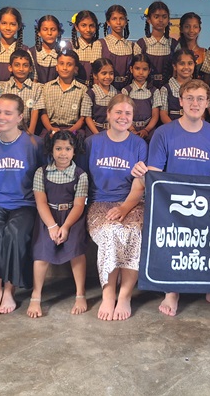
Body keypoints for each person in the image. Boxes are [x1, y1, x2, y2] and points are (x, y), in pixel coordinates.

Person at [132, 79, 210, 317]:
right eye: (189, 98)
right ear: (180, 101)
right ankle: (171, 290)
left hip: (206, 203)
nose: (194, 103)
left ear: (208, 103)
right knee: (166, 229)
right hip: (172, 204)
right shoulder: (163, 133)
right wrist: (140, 173)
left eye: (200, 99)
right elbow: (155, 175)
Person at [0, 94, 45, 316]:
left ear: (19, 117)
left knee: (15, 232)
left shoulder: (34, 143)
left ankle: (9, 289)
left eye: (8, 113)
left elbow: (43, 177)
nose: (1, 117)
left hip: (25, 203)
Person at [85, 94, 147, 321]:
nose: (123, 117)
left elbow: (140, 184)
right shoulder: (92, 143)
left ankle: (125, 295)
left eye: (128, 113)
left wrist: (124, 208)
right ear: (108, 114)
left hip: (132, 201)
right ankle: (108, 293)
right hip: (100, 202)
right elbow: (81, 178)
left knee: (133, 232)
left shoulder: (139, 144)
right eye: (118, 112)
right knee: (110, 231)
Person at [27, 131, 89, 318]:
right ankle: (36, 296)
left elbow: (79, 205)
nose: (63, 153)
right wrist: (52, 226)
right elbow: (41, 202)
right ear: (51, 150)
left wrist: (66, 226)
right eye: (59, 148)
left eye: (68, 149)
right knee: (42, 252)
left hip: (72, 217)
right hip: (48, 216)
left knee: (76, 251)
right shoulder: (41, 172)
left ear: (74, 151)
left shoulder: (80, 175)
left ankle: (80, 294)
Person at [38, 49, 86, 135]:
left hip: (73, 129)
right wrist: (51, 129)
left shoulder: (82, 90)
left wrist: (70, 131)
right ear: (56, 67)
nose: (65, 68)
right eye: (61, 64)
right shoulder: (46, 87)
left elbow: (83, 118)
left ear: (75, 69)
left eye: (69, 64)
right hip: (50, 128)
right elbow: (43, 113)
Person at [0, 48, 44, 135]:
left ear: (30, 69)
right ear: (10, 67)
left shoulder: (37, 88)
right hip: (6, 129)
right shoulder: (4, 87)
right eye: (17, 65)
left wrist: (30, 132)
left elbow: (35, 111)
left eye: (25, 65)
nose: (21, 69)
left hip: (27, 130)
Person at [136, 1, 178, 89]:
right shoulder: (141, 44)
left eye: (164, 17)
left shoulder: (174, 44)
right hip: (146, 90)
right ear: (149, 19)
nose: (160, 20)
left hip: (169, 90)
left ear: (168, 19)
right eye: (156, 17)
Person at [122, 54, 159, 140]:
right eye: (137, 68)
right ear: (131, 69)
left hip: (149, 130)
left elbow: (155, 115)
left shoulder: (154, 91)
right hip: (129, 129)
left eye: (144, 69)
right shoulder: (126, 91)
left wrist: (146, 130)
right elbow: (123, 114)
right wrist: (132, 130)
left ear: (149, 71)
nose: (141, 72)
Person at [99, 5, 135, 91]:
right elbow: (96, 73)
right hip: (106, 90)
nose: (118, 22)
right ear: (108, 22)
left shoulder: (132, 46)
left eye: (121, 18)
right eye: (114, 19)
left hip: (128, 90)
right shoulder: (100, 44)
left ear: (126, 21)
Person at [81, 58, 117, 137]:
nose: (108, 76)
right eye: (104, 73)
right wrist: (97, 134)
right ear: (95, 75)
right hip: (95, 131)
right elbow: (87, 117)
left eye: (111, 73)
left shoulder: (117, 94)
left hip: (113, 131)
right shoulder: (90, 94)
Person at [0, 7, 25, 81]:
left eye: (12, 24)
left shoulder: (24, 50)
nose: (8, 28)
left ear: (19, 26)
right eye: (4, 23)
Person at [159, 48, 196, 124]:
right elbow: (163, 115)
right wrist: (175, 129)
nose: (186, 67)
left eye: (190, 63)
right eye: (182, 64)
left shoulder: (198, 88)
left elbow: (202, 114)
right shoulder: (166, 89)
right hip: (172, 127)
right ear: (175, 66)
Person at [70, 10, 102, 84]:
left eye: (91, 26)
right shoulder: (71, 46)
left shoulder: (101, 45)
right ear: (77, 27)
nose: (88, 30)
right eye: (83, 25)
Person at [29, 14, 62, 84]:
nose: (49, 33)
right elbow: (34, 80)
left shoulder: (63, 52)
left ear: (59, 32)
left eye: (53, 29)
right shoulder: (32, 52)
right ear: (39, 33)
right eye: (45, 29)